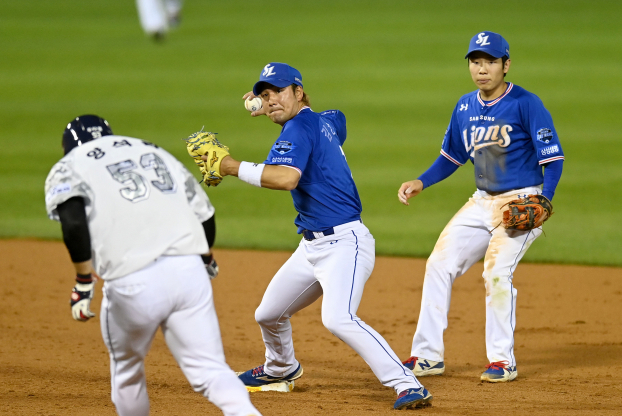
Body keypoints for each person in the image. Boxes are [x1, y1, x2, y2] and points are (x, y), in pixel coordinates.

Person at [195, 63, 433, 410]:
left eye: (278, 91)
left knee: (338, 318)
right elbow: (339, 118)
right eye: (264, 94)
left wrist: (230, 166)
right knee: (268, 314)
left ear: (298, 91)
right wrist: (273, 109)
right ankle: (281, 368)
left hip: (346, 244)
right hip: (312, 247)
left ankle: (406, 383)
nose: (270, 99)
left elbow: (285, 178)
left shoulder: (298, 129)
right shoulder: (323, 121)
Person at [44, 115, 262, 416]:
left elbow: (72, 222)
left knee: (128, 371)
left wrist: (84, 280)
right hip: (189, 275)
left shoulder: (69, 164)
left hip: (133, 283)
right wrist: (205, 257)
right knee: (212, 371)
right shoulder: (151, 150)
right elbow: (205, 214)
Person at [397, 32, 564, 382]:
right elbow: (451, 156)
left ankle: (503, 361)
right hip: (481, 202)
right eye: (476, 61)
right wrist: (421, 181)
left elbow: (554, 158)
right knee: (438, 265)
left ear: (506, 64)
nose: (482, 69)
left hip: (521, 201)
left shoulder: (526, 103)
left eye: (490, 61)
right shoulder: (464, 106)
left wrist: (544, 198)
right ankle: (427, 356)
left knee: (496, 273)